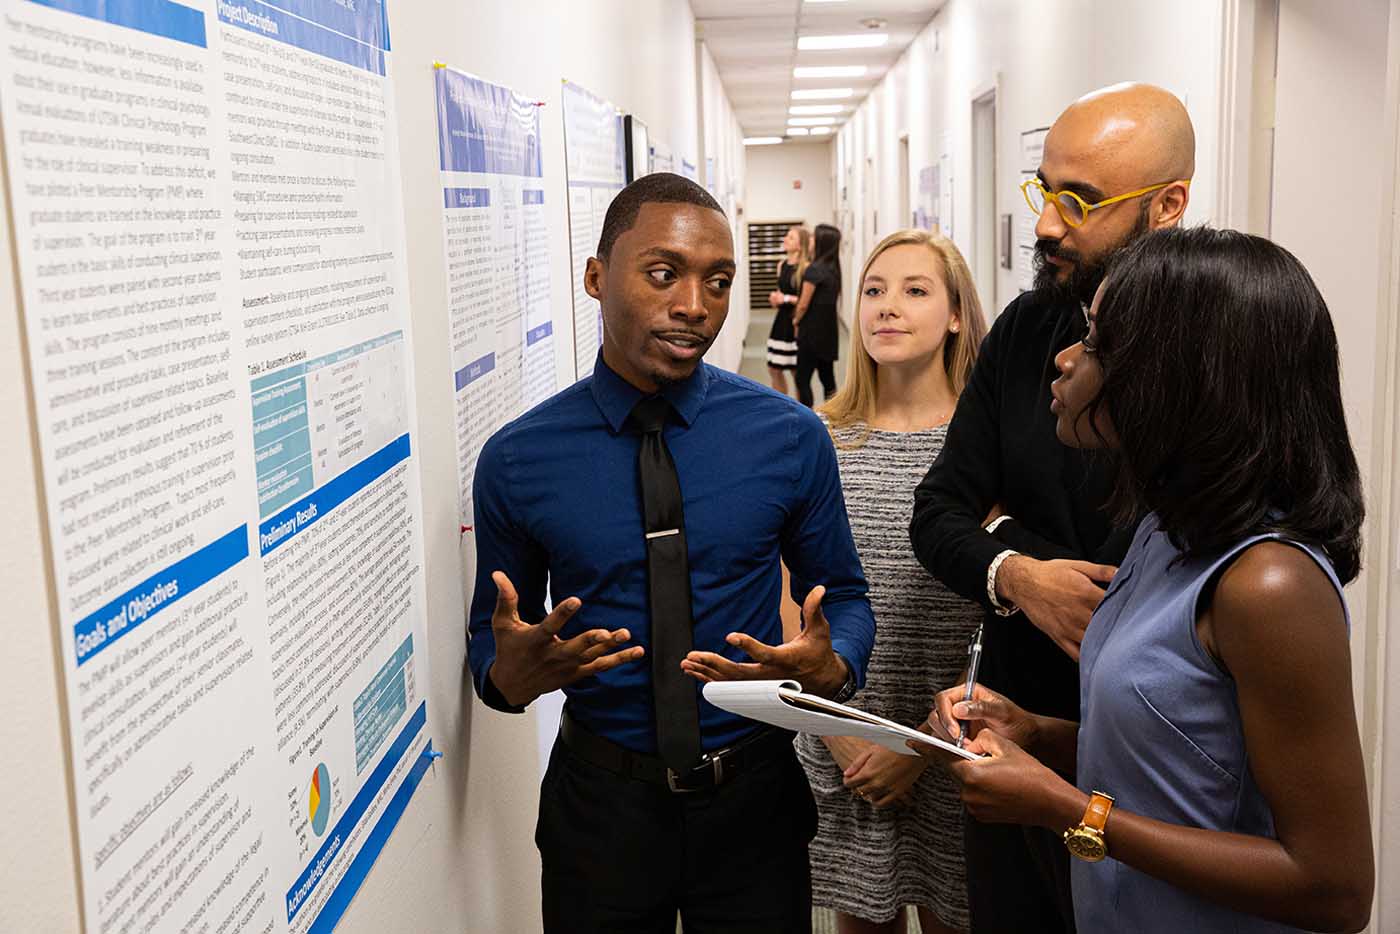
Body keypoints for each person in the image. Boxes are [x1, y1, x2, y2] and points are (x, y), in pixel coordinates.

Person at [919, 226, 1374, 934]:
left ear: (1180, 375)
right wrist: (1037, 734)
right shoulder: (1167, 532)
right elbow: (1180, 767)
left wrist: (1064, 809)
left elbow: (1334, 891)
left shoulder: (1269, 585)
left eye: (1097, 343)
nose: (1064, 361)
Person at [466, 172, 875, 934]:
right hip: (601, 811)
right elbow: (491, 647)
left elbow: (844, 598)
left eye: (718, 282)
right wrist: (506, 678)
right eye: (664, 275)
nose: (695, 305)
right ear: (595, 278)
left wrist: (836, 665)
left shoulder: (789, 437)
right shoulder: (519, 460)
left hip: (754, 803)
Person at [908, 82, 1194, 932]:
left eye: (1081, 201)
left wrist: (999, 521)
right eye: (1044, 189)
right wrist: (1019, 572)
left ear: (1168, 205)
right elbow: (939, 513)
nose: (1044, 225)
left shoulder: (1213, 348)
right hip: (1013, 727)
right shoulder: (1030, 328)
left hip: (1156, 754)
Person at [795, 229, 987, 934]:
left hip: (955, 739)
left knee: (953, 917)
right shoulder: (820, 438)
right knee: (860, 919)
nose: (888, 307)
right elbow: (799, 609)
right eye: (874, 291)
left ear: (957, 314)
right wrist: (843, 737)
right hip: (846, 740)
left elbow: (1001, 621)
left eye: (915, 290)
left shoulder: (984, 447)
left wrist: (921, 747)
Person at [793, 222, 842, 408]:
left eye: (813, 237)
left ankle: (808, 415)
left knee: (802, 378)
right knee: (827, 377)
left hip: (811, 332)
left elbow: (803, 304)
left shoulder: (813, 270)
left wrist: (796, 320)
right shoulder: (834, 269)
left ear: (821, 242)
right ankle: (836, 414)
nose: (810, 240)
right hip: (828, 332)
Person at [767, 225, 812, 394]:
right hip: (781, 320)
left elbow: (807, 301)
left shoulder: (807, 268)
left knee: (796, 371)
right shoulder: (782, 265)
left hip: (797, 322)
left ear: (801, 245)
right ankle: (783, 406)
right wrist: (776, 299)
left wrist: (785, 298)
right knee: (774, 368)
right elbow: (781, 291)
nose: (785, 239)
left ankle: (800, 410)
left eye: (791, 237)